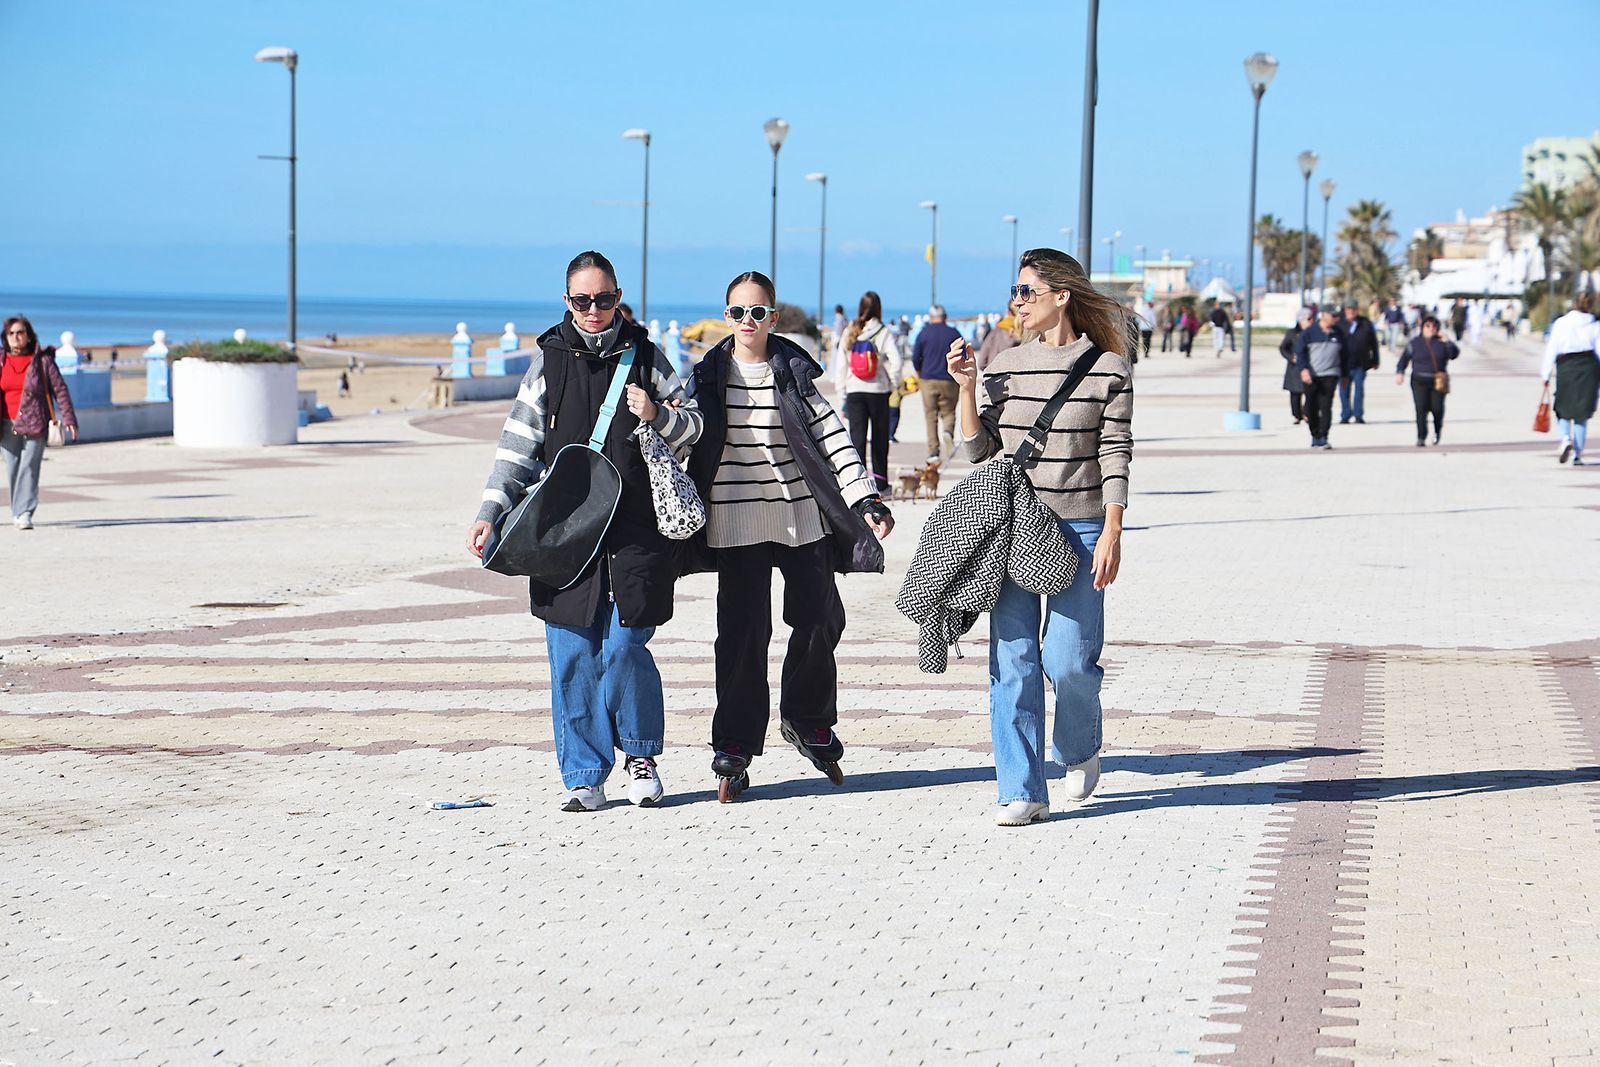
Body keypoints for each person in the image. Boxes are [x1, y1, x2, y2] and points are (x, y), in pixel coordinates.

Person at [467, 251, 703, 811]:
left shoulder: (648, 358)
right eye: (581, 300)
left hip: (634, 533)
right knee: (571, 653)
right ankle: (584, 772)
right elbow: (518, 447)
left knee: (624, 648)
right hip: (564, 535)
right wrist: (488, 511)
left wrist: (657, 415)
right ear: (566, 301)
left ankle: (641, 755)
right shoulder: (548, 362)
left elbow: (693, 429)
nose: (593, 310)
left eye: (604, 299)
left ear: (619, 299)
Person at [683, 271, 894, 801]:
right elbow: (684, 435)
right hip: (733, 521)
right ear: (726, 317)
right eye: (738, 312)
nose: (748, 322)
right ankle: (734, 743)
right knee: (742, 634)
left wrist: (864, 498)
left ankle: (806, 719)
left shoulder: (792, 373)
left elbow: (832, 436)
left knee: (819, 617)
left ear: (773, 318)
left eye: (758, 312)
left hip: (801, 516)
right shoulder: (707, 377)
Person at [947, 247, 1133, 826]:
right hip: (1013, 525)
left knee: (1070, 660)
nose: (1017, 301)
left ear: (1062, 295)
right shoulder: (1004, 364)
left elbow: (1115, 452)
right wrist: (965, 386)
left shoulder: (1109, 369)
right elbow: (980, 454)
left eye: (1027, 290)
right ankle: (1021, 788)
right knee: (1015, 657)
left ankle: (1079, 745)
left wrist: (1113, 529)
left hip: (1080, 527)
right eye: (1015, 290)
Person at [2, 315, 79, 529]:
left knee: (29, 467)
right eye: (11, 333)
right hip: (6, 423)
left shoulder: (42, 360)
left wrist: (69, 418)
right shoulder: (1, 360)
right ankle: (18, 510)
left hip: (36, 422)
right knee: (12, 468)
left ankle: (24, 512)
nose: (16, 337)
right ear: (5, 338)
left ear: (28, 335)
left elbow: (60, 390)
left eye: (20, 332)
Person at [833, 291, 904, 495]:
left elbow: (840, 367)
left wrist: (842, 395)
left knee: (857, 440)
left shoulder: (850, 330)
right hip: (878, 391)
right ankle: (881, 485)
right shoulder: (883, 332)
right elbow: (897, 362)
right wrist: (892, 383)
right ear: (879, 308)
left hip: (854, 391)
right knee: (879, 438)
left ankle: (858, 483)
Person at [1541, 292, 1600, 466]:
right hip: (1588, 367)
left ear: (1574, 304)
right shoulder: (1594, 325)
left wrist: (1545, 373)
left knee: (1563, 407)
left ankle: (1565, 439)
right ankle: (1578, 455)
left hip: (1566, 366)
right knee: (1582, 413)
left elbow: (1552, 348)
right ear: (1590, 305)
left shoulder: (1561, 323)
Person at [1395, 315, 1455, 446]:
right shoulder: (1415, 342)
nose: (1430, 329)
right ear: (1422, 327)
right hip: (1419, 380)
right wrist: (1400, 372)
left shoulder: (1441, 343)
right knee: (1421, 408)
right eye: (1427, 326)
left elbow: (1454, 354)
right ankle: (1421, 436)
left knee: (1437, 408)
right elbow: (1404, 358)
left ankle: (1437, 431)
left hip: (1438, 381)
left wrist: (1448, 341)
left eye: (1434, 326)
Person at [1294, 307, 1350, 449]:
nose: (1335, 318)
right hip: (1312, 376)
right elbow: (1300, 353)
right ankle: (1315, 435)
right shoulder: (1309, 333)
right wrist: (1303, 370)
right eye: (1332, 315)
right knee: (1311, 407)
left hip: (1330, 374)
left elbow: (1345, 356)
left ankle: (1324, 436)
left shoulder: (1339, 333)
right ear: (1323, 315)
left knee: (1326, 406)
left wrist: (1345, 375)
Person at [911, 305, 962, 461]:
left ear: (931, 317)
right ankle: (947, 432)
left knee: (930, 415)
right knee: (949, 412)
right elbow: (963, 355)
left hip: (928, 379)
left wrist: (919, 373)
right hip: (949, 379)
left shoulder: (923, 333)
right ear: (945, 317)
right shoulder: (954, 333)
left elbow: (915, 357)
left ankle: (933, 451)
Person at [1339, 302, 1381, 424]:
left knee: (1359, 391)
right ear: (1345, 310)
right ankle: (1345, 415)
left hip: (1360, 364)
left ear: (1357, 310)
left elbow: (1373, 342)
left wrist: (1375, 360)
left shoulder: (1365, 323)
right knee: (1344, 391)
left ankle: (1358, 415)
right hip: (1344, 365)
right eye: (1348, 309)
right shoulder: (1339, 323)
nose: (1351, 312)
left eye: (1353, 309)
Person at [1280, 307, 1312, 424]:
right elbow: (1283, 348)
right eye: (1308, 319)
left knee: (1310, 392)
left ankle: (1307, 413)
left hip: (1309, 367)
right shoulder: (1292, 333)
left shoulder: (1314, 332)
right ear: (1301, 320)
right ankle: (1297, 415)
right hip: (1294, 369)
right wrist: (1291, 357)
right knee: (1295, 394)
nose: (1310, 321)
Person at [977, 301, 1024, 372]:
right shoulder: (1029, 332)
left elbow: (981, 362)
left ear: (1008, 312)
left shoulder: (996, 331)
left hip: (995, 377)